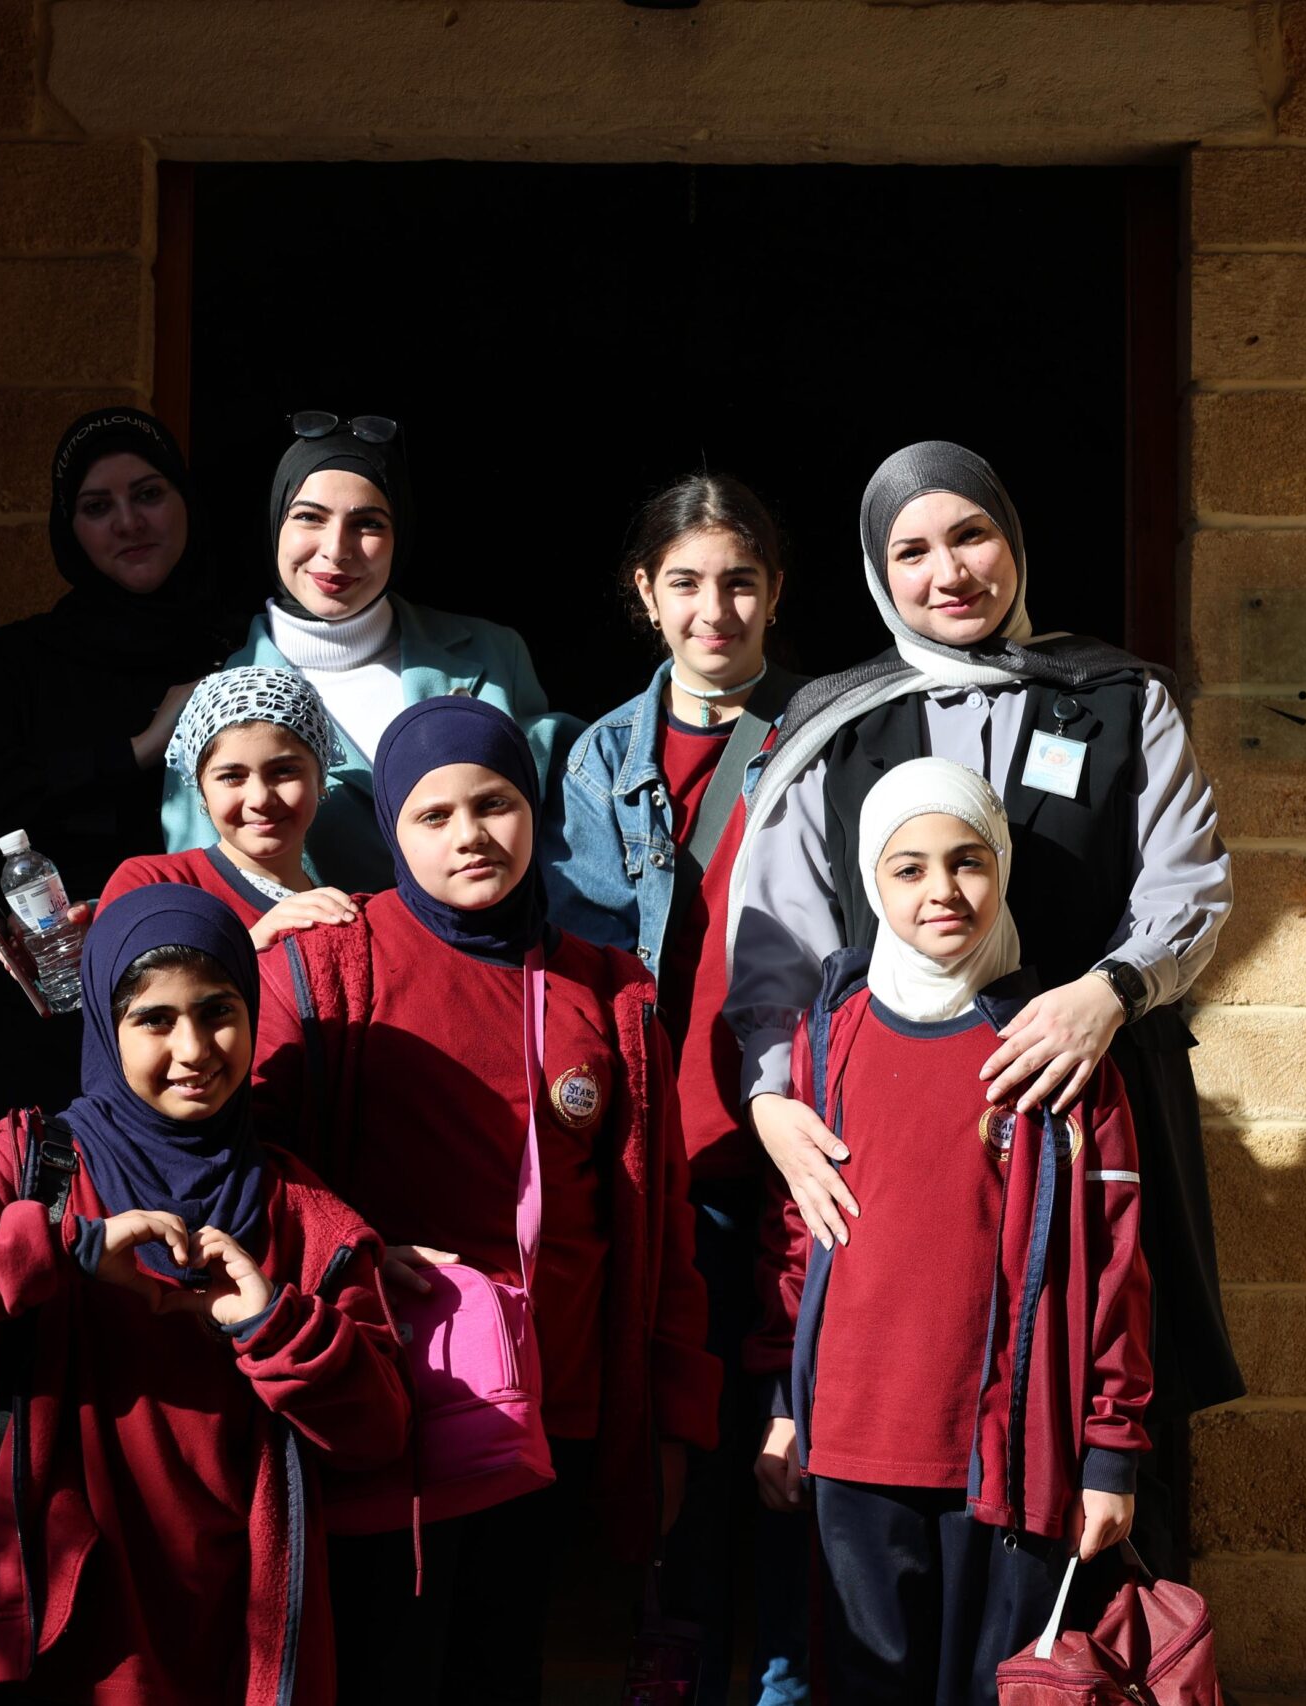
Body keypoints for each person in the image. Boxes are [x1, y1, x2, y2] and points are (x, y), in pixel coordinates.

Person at [724, 440, 1239, 1575]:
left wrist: (1107, 993)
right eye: (911, 549)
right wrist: (770, 1104)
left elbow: (1187, 884)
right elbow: (774, 938)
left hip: (1091, 1098)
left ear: (1013, 540)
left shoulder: (1116, 699)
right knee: (911, 1440)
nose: (947, 570)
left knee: (1103, 1426)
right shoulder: (833, 724)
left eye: (971, 535)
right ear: (875, 569)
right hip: (897, 1128)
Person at [248, 694, 718, 1705]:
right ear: (388, 828)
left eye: (496, 803)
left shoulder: (607, 986)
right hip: (395, 1401)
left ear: (535, 813)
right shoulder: (328, 965)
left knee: (507, 1666)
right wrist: (359, 1244)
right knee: (388, 1664)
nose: (470, 834)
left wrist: (670, 1417)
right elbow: (243, 1157)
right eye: (434, 813)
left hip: (558, 1408)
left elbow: (659, 1218)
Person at [0, 884, 411, 1704]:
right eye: (154, 1020)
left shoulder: (298, 1208)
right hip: (64, 1626)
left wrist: (271, 1323)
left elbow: (377, 1429)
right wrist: (64, 1246)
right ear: (110, 1029)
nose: (194, 1049)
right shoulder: (41, 1164)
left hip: (234, 1636)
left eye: (219, 1011)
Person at [749, 759, 1151, 1706]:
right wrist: (784, 1403)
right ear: (868, 880)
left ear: (1003, 866)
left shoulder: (1059, 1051)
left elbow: (1117, 1273)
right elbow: (795, 1240)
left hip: (1005, 1460)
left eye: (967, 861)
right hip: (850, 1446)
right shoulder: (830, 1038)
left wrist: (1110, 1451)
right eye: (909, 868)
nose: (942, 891)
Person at [537, 472, 810, 1705]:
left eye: (740, 579)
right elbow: (589, 951)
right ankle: (683, 1637)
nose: (717, 608)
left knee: (801, 1401)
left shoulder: (830, 731)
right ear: (645, 594)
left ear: (777, 591)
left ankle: (792, 1656)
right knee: (688, 1408)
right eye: (688, 581)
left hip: (809, 1125)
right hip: (674, 1133)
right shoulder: (596, 754)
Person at [0, 406, 231, 1183]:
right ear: (71, 530)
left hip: (205, 996)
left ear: (185, 503)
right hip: (53, 1010)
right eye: (98, 507)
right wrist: (135, 749)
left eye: (148, 493)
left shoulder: (237, 646)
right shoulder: (21, 662)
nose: (128, 522)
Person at [161, 413, 580, 892]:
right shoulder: (222, 698)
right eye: (309, 517)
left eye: (367, 523)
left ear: (400, 537)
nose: (336, 550)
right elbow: (201, 883)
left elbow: (564, 828)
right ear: (275, 521)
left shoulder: (493, 652)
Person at [103, 666, 363, 950]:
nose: (260, 799)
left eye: (284, 771)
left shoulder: (340, 912)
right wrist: (252, 944)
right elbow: (131, 989)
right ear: (201, 790)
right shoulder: (154, 885)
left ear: (320, 778)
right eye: (231, 777)